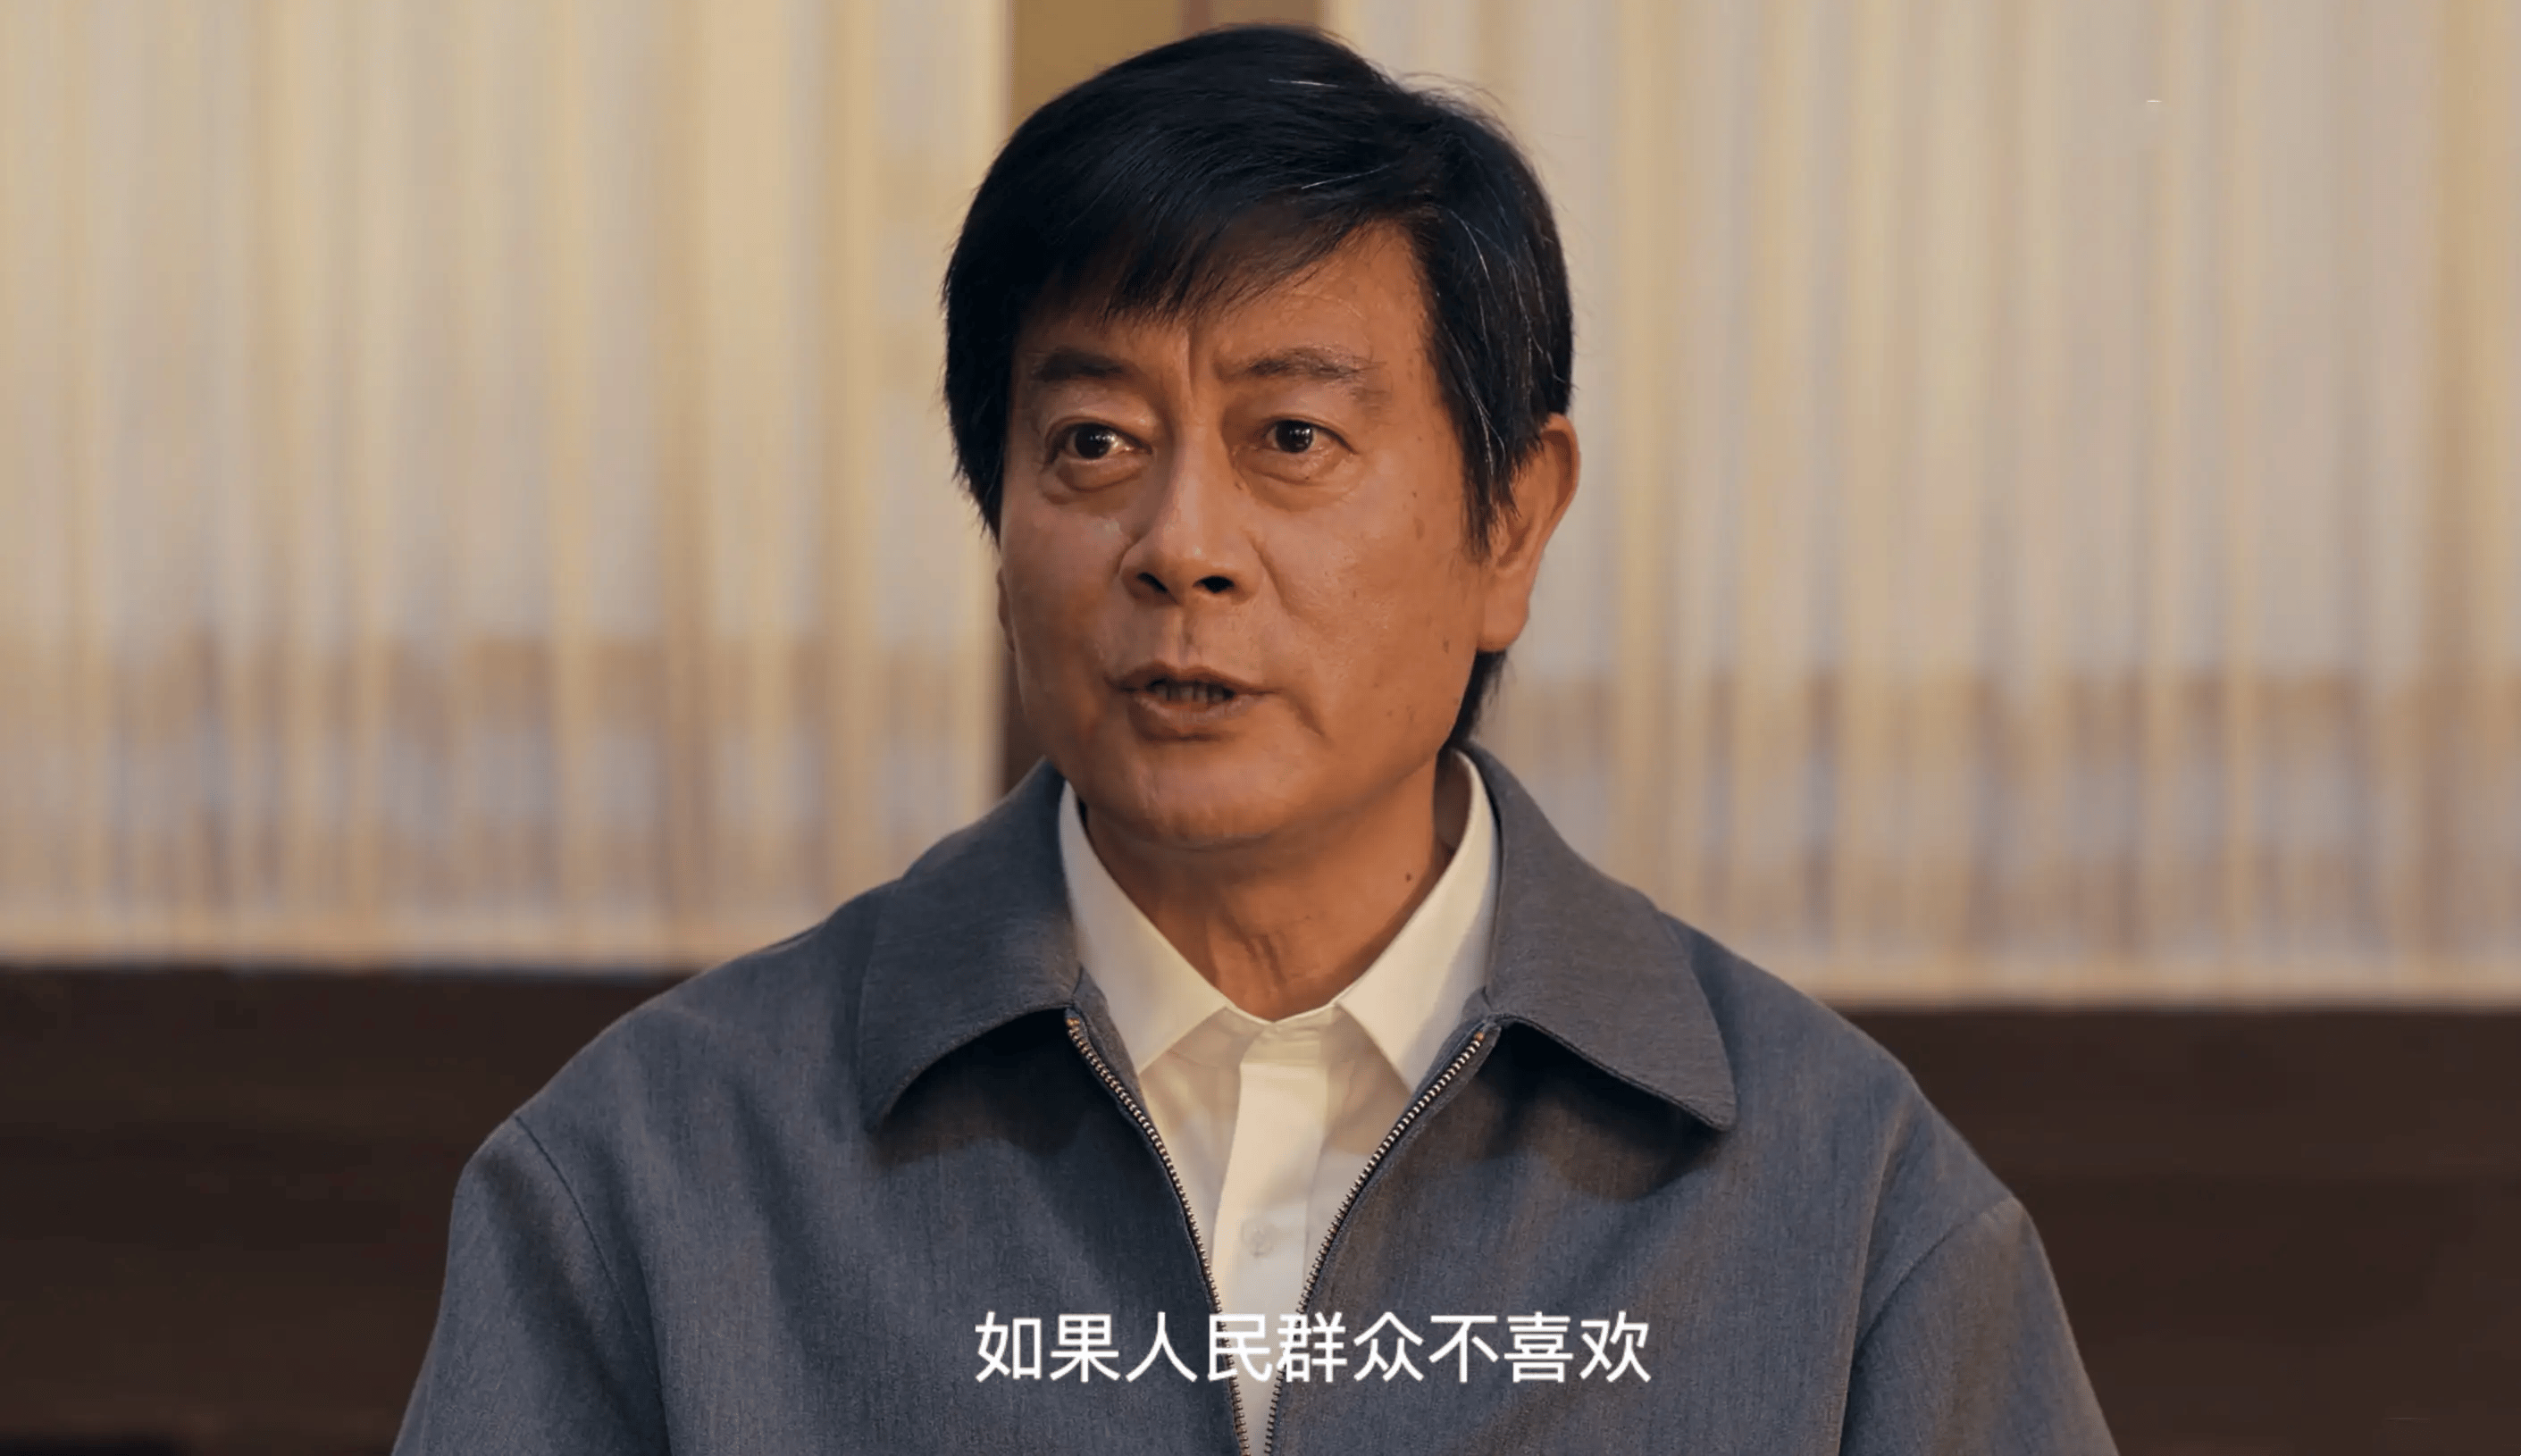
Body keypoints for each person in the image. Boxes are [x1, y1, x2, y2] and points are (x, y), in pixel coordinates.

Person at [395, 24, 2115, 1455]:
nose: (1180, 544)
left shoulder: (1840, 1201)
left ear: (1512, 522)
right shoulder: (652, 1174)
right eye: (1092, 442)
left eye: (1290, 437)